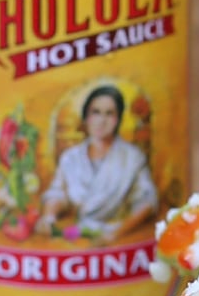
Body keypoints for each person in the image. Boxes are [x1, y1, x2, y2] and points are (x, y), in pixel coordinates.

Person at [37, 85, 158, 242]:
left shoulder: (132, 158)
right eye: (96, 112)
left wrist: (116, 234)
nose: (101, 120)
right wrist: (49, 217)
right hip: (77, 237)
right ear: (86, 117)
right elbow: (58, 193)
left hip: (119, 239)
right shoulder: (70, 158)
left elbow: (147, 202)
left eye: (109, 114)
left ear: (118, 119)